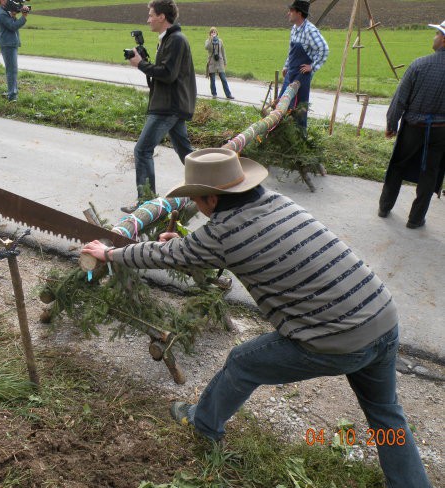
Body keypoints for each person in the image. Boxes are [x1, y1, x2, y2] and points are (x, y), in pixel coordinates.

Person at [82, 148, 433, 488]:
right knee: (385, 412)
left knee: (242, 362)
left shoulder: (223, 232)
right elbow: (246, 250)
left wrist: (109, 252)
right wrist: (194, 247)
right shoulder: (276, 202)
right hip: (383, 317)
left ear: (213, 200)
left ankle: (203, 423)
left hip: (338, 339)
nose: (197, 207)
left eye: (198, 199)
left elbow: (167, 255)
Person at [121, 0, 196, 214]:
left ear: (162, 16)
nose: (148, 19)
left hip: (168, 106)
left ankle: (146, 203)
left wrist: (141, 64)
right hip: (170, 103)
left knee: (142, 150)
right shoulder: (168, 39)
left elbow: (168, 74)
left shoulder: (176, 40)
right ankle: (212, 187)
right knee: (185, 151)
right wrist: (145, 62)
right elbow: (164, 71)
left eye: (151, 15)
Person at [377, 20, 445, 229]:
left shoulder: (419, 65)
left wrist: (391, 124)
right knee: (430, 172)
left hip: (414, 128)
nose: (433, 37)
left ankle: (385, 207)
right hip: (441, 131)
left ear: (443, 39)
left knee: (398, 165)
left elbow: (400, 100)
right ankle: (415, 219)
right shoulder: (420, 65)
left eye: (436, 34)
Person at [280, 0, 328, 135]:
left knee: (299, 108)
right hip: (291, 73)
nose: (288, 13)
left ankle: (300, 137)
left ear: (299, 13)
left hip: (302, 75)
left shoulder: (310, 30)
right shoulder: (294, 29)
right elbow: (291, 51)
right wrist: (286, 66)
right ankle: (283, 134)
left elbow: (324, 49)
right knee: (282, 104)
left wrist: (312, 67)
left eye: (291, 11)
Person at [0, 0, 30, 102]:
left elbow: (13, 23)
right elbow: (13, 26)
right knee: (12, 71)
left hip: (10, 43)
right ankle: (12, 96)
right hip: (7, 44)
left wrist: (14, 14)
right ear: (1, 1)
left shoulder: (6, 11)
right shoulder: (1, 13)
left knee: (12, 70)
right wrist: (23, 16)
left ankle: (11, 93)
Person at [204, 27, 234, 100]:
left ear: (217, 33)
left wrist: (225, 62)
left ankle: (228, 94)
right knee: (213, 79)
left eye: (214, 32)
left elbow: (223, 51)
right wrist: (211, 40)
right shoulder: (208, 41)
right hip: (212, 62)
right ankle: (214, 94)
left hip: (220, 62)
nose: (213, 33)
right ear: (210, 34)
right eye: (212, 32)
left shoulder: (220, 41)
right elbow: (206, 48)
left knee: (223, 78)